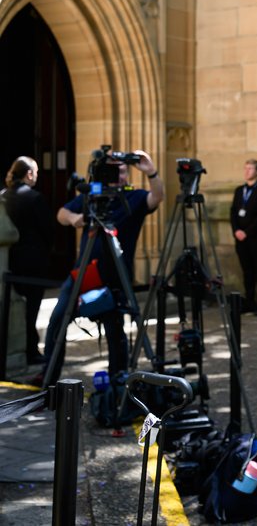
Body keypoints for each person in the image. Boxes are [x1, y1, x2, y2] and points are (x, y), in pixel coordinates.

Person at [33, 150, 164, 387]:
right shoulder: (92, 197)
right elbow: (62, 213)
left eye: (122, 171)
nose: (117, 176)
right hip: (83, 275)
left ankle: (117, 382)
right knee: (57, 320)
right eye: (112, 171)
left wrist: (151, 172)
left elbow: (157, 197)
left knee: (115, 332)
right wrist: (74, 219)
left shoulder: (133, 197)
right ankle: (49, 376)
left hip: (115, 278)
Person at [2, 157, 53, 364]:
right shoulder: (34, 198)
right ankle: (31, 350)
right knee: (31, 308)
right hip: (33, 262)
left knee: (10, 306)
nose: (37, 176)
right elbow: (48, 231)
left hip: (9, 261)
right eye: (37, 172)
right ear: (29, 174)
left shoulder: (3, 196)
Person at [230, 158, 257, 315]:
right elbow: (233, 213)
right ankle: (249, 302)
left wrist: (246, 232)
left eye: (250, 168)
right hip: (241, 240)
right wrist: (236, 231)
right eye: (245, 168)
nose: (247, 171)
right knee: (247, 271)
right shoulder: (238, 191)